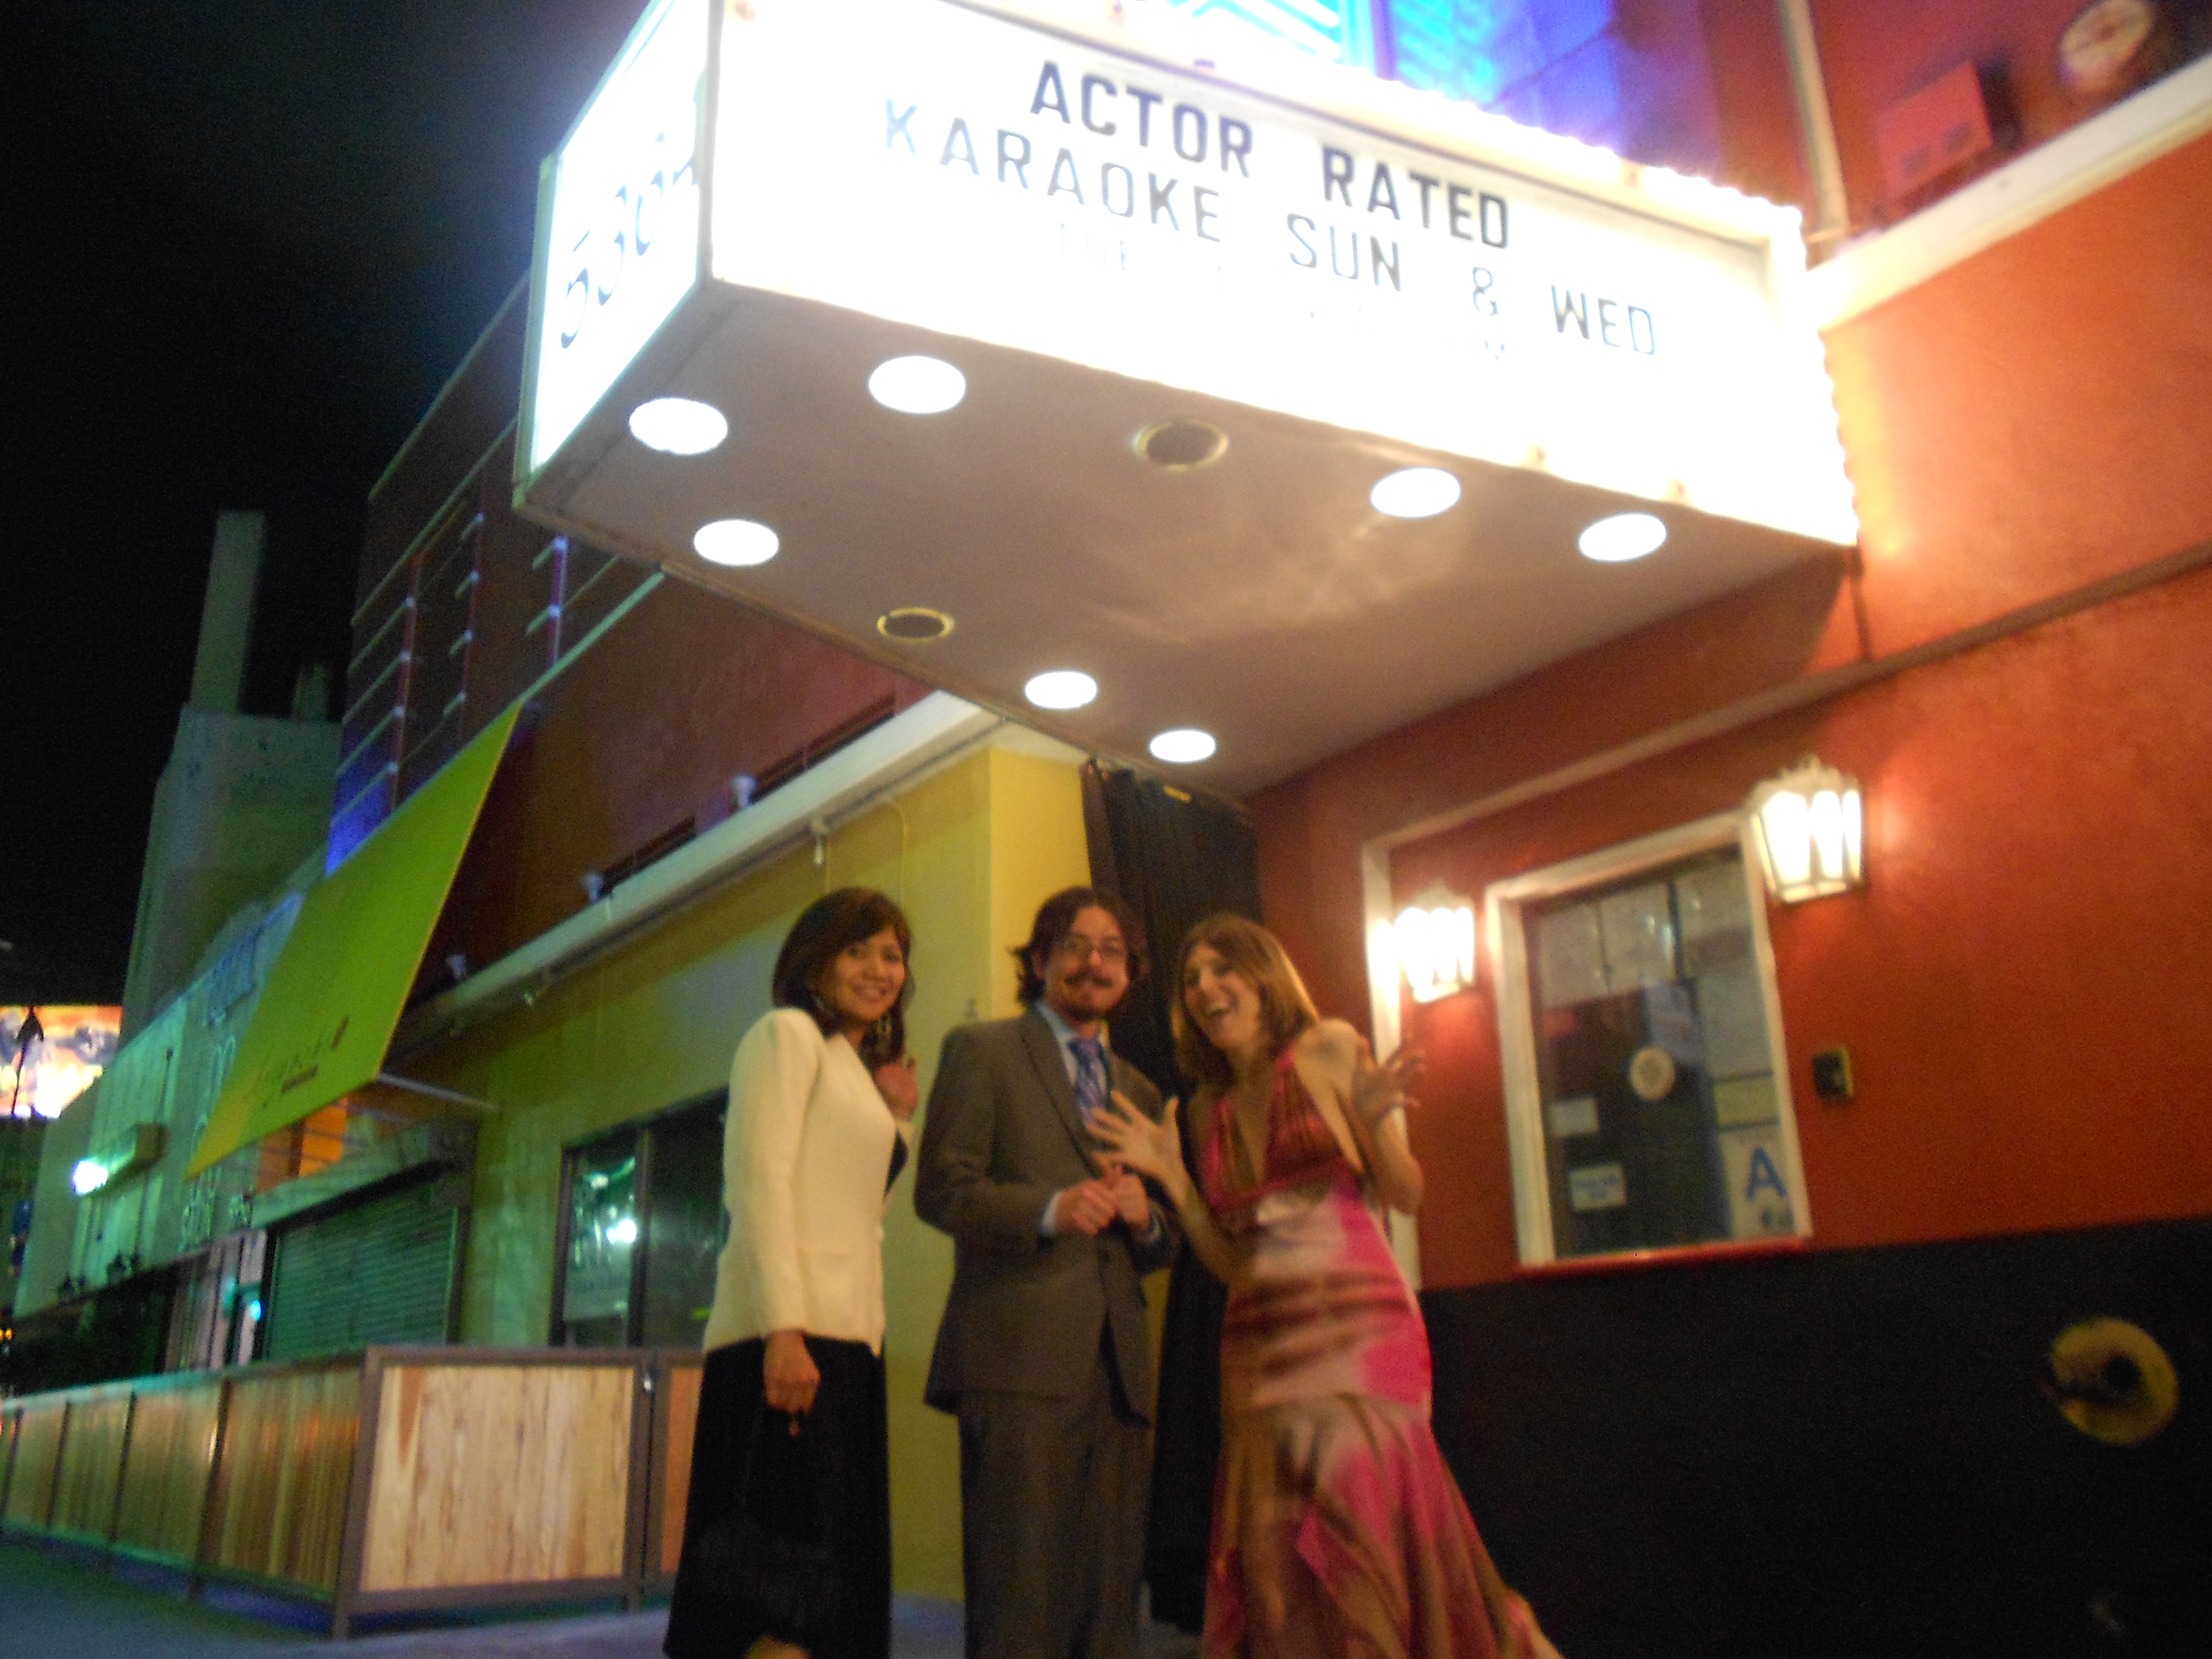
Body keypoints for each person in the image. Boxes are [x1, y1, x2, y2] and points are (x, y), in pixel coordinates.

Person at [1092, 914, 1560, 1659]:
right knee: (1278, 1562)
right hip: (1258, 1346)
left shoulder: (1328, 1048)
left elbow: (1405, 1194)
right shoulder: (1208, 1109)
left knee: (1364, 1528)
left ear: (1265, 976)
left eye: (1224, 969)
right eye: (1192, 980)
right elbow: (1233, 1261)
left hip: (1359, 1332)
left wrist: (1374, 1125)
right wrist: (1176, 1184)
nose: (1207, 988)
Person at [914, 886, 1181, 1659]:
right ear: (1040, 961)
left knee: (1109, 1605)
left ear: (1130, 975)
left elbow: (1162, 1246)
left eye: (1112, 952)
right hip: (1016, 1361)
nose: (1094, 963)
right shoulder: (983, 1050)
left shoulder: (1139, 1090)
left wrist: (1146, 1217)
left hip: (1121, 1374)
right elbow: (942, 1191)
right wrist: (1049, 1210)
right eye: (1076, 945)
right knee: (1020, 1598)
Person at [665, 887, 922, 1659]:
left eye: (892, 955)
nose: (880, 970)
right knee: (780, 1588)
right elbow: (761, 1186)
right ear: (815, 960)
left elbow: (847, 1203)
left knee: (827, 1587)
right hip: (788, 1341)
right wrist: (784, 1331)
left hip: (846, 1344)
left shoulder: (852, 1067)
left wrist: (897, 1117)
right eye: (859, 950)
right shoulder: (785, 1035)